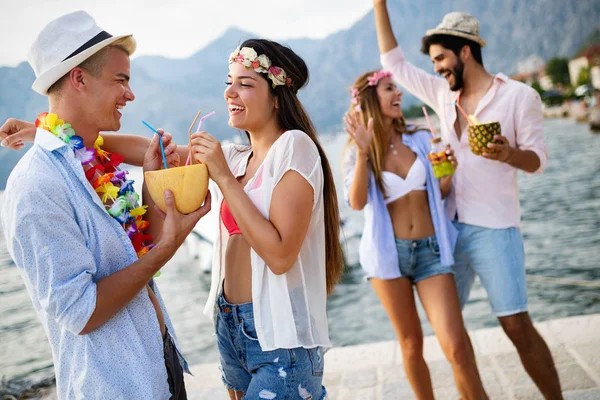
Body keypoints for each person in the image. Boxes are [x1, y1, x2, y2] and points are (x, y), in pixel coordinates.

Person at [0, 11, 211, 399]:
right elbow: (81, 312)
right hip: (115, 386)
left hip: (158, 362)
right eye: (120, 80)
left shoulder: (93, 162)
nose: (130, 94)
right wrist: (169, 249)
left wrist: (152, 187)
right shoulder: (37, 185)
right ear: (79, 78)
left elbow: (137, 251)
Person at [372, 1, 562, 398]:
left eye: (441, 58)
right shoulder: (441, 91)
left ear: (465, 51)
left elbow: (539, 160)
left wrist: (508, 153)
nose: (437, 67)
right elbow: (393, 60)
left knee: (515, 324)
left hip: (494, 227)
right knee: (451, 334)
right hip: (446, 231)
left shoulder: (519, 97)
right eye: (434, 61)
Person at [343, 70, 487, 399]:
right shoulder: (357, 152)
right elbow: (356, 202)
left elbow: (438, 192)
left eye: (397, 88)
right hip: (388, 256)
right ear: (369, 99)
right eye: (389, 89)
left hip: (431, 253)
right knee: (410, 345)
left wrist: (447, 173)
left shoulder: (421, 138)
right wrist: (364, 153)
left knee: (456, 345)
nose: (399, 94)